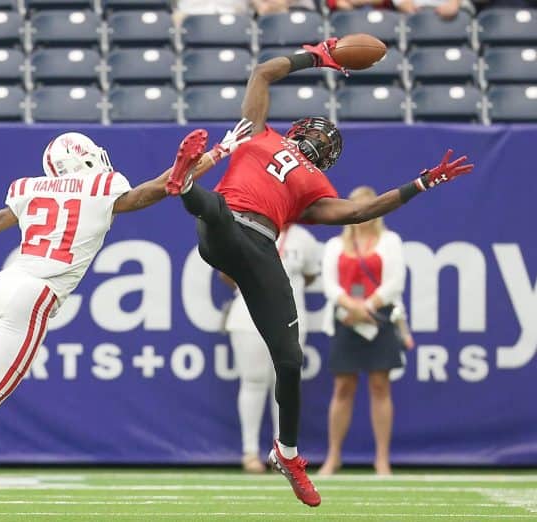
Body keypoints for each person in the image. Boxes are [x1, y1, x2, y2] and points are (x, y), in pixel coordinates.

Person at [163, 37, 474, 506]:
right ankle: (185, 182)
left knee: (290, 361)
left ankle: (286, 453)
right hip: (228, 225)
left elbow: (357, 213)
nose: (321, 140)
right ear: (298, 129)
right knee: (217, 211)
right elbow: (263, 72)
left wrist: (422, 182)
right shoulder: (257, 131)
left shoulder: (314, 185)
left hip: (260, 249)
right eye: (319, 134)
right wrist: (322, 53)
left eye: (327, 141)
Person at [0, 124, 253, 512]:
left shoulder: (30, 188)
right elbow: (158, 188)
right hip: (33, 294)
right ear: (86, 156)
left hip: (0, 283)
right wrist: (216, 154)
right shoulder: (103, 186)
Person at [318, 186, 414, 476]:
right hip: (345, 319)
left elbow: (395, 282)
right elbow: (329, 285)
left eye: (369, 207)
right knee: (343, 388)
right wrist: (351, 306)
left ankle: (381, 459)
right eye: (357, 206)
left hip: (379, 319)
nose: (363, 213)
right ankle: (333, 457)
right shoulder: (335, 245)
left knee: (380, 386)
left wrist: (367, 307)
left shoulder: (391, 241)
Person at [220, 224, 320, 473]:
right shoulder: (245, 228)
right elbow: (226, 272)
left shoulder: (303, 237)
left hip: (291, 319)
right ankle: (250, 452)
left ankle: (283, 454)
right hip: (248, 317)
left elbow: (310, 274)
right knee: (253, 381)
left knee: (285, 382)